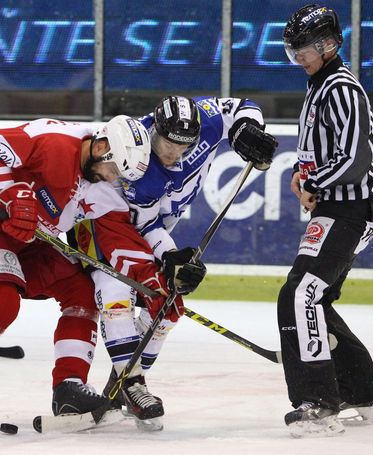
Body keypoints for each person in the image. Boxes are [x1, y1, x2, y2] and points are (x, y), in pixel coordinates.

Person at [0, 115, 189, 435]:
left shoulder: (105, 188)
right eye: (113, 169)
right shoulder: (53, 141)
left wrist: (150, 283)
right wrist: (10, 192)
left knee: (82, 292)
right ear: (101, 147)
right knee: (0, 303)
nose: (112, 179)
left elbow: (119, 238)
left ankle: (69, 389)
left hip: (33, 238)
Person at [70, 95, 276, 431]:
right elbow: (143, 227)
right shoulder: (138, 165)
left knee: (170, 304)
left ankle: (123, 378)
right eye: (167, 144)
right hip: (103, 225)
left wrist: (246, 131)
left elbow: (241, 106)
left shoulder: (205, 122)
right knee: (115, 291)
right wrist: (170, 255)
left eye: (184, 146)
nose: (174, 154)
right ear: (154, 132)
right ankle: (133, 386)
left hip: (146, 228)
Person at [279, 4, 373, 438]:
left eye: (304, 47)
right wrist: (298, 175)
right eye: (294, 48)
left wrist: (313, 183)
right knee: (312, 298)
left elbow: (355, 159)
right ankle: (357, 392)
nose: (298, 55)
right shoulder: (318, 85)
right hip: (334, 209)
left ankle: (319, 402)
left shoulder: (342, 87)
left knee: (300, 294)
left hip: (350, 209)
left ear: (327, 45)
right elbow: (317, 150)